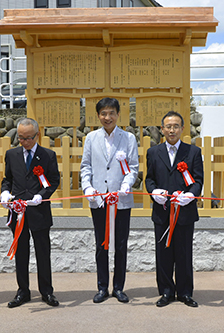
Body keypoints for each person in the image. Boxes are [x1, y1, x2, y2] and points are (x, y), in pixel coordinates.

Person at [80, 97, 139, 303]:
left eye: (111, 113)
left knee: (121, 244)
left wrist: (126, 185)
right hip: (99, 200)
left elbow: (133, 167)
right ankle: (102, 287)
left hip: (121, 200)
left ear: (118, 114)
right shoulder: (91, 138)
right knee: (101, 244)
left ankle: (119, 287)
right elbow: (86, 165)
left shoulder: (128, 138)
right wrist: (87, 187)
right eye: (103, 113)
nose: (107, 117)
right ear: (98, 116)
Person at [145, 111, 204, 308]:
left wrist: (190, 195)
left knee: (184, 254)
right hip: (162, 212)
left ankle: (185, 292)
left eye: (176, 126)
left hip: (185, 213)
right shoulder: (154, 152)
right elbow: (149, 179)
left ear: (182, 129)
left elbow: (198, 180)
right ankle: (166, 292)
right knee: (163, 254)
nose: (172, 130)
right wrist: (154, 192)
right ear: (162, 129)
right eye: (168, 126)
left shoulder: (193, 152)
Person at [0, 118, 60, 308]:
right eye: (21, 138)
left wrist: (41, 196)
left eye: (28, 138)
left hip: (39, 211)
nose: (24, 142)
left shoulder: (48, 155)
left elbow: (53, 180)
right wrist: (5, 192)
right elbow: (7, 179)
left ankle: (46, 291)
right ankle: (23, 291)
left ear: (37, 135)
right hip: (18, 212)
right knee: (21, 253)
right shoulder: (11, 155)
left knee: (43, 253)